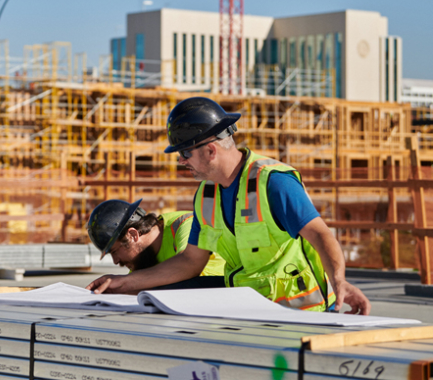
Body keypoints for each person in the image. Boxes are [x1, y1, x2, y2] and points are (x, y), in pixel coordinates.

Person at [88, 97, 370, 315]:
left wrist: (340, 280)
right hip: (249, 307)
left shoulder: (273, 182)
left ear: (211, 150)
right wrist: (121, 283)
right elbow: (190, 262)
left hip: (303, 313)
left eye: (185, 152)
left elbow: (320, 234)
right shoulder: (206, 196)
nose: (182, 161)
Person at [87, 199, 225, 288]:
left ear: (133, 235)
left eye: (115, 251)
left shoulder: (186, 224)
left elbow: (188, 265)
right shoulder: (143, 262)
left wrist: (125, 282)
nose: (116, 261)